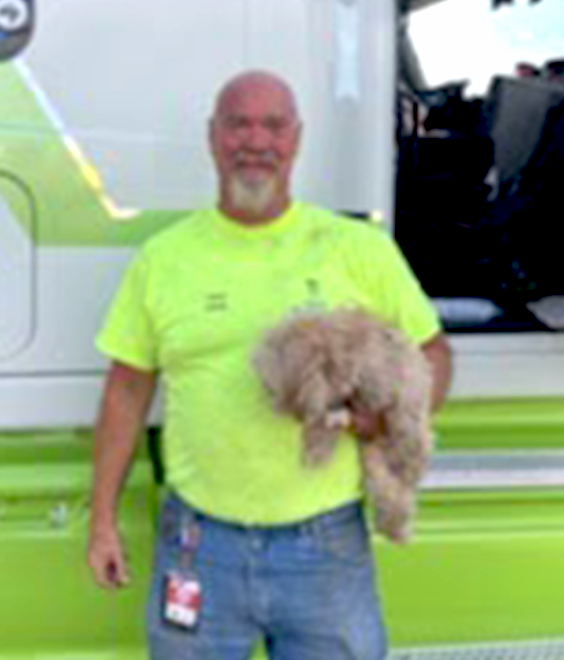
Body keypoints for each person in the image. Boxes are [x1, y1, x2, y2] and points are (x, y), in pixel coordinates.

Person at [87, 70, 453, 660]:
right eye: (238, 124)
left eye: (273, 125)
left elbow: (432, 352)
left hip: (323, 547)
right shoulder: (163, 259)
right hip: (198, 545)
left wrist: (383, 418)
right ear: (213, 137)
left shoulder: (355, 248)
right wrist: (101, 520)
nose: (255, 141)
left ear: (296, 140)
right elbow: (125, 393)